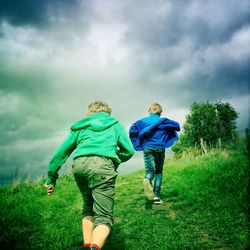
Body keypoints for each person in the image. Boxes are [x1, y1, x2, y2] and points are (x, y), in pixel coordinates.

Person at [44, 101, 135, 250]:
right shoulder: (115, 125)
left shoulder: (81, 126)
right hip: (103, 165)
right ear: (108, 112)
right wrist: (114, 157)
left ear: (89, 113)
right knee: (104, 216)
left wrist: (51, 177)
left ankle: (87, 246)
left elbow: (61, 153)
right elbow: (129, 151)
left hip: (79, 165)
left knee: (88, 205)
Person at [129, 103, 180, 204]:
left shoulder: (142, 121)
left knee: (150, 171)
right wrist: (164, 121)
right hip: (160, 148)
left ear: (150, 111)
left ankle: (147, 179)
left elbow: (132, 130)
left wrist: (139, 141)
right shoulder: (164, 121)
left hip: (148, 148)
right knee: (159, 171)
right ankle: (156, 196)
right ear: (160, 112)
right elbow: (177, 126)